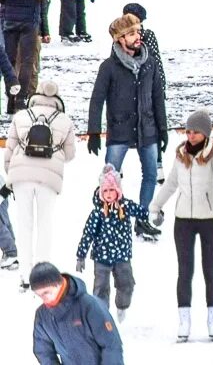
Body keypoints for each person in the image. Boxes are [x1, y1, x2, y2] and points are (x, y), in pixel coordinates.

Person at [87, 14, 166, 241]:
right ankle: (110, 219)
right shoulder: (109, 67)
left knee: (150, 174)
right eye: (132, 33)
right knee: (110, 177)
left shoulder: (149, 63)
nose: (137, 36)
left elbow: (158, 97)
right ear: (120, 39)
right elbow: (97, 99)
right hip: (119, 129)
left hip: (147, 127)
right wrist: (94, 132)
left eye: (138, 32)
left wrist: (163, 128)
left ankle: (142, 220)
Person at [6, 79, 77, 289]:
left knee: (24, 225)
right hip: (49, 178)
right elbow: (70, 154)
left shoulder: (20, 117)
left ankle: (25, 275)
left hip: (21, 177)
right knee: (45, 225)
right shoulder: (64, 120)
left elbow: (8, 151)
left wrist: (11, 175)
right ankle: (42, 273)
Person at [75, 164, 148, 320]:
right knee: (101, 288)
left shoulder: (125, 207)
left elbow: (142, 212)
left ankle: (122, 306)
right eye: (105, 191)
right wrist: (81, 256)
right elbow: (87, 234)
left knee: (126, 284)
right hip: (102, 257)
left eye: (111, 190)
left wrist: (153, 213)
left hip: (122, 255)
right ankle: (102, 316)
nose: (108, 194)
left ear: (118, 190)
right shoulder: (98, 213)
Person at [1, 0, 56, 113]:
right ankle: (21, 100)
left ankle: (10, 98)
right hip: (29, 19)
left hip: (9, 17)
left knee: (9, 60)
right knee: (26, 61)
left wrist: (5, 0)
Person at [30, 261, 125, 364]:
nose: (44, 299)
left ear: (59, 284)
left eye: (46, 292)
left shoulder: (90, 306)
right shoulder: (43, 315)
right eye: (39, 295)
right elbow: (43, 351)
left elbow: (111, 345)